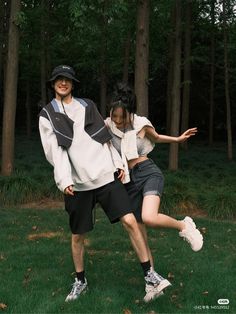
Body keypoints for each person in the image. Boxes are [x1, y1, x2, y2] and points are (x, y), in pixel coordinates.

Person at [38, 65, 172, 303]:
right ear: (53, 84)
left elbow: (104, 139)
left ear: (72, 84)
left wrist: (118, 165)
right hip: (77, 184)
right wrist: (64, 179)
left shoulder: (87, 105)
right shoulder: (47, 115)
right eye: (59, 79)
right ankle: (80, 282)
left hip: (105, 176)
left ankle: (150, 276)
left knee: (131, 220)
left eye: (67, 79)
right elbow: (54, 152)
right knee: (78, 235)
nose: (63, 83)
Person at [105, 83, 204, 301]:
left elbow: (156, 137)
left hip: (148, 172)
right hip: (128, 182)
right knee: (140, 237)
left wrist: (177, 139)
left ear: (129, 112)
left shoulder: (141, 123)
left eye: (122, 117)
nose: (118, 121)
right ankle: (151, 283)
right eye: (115, 116)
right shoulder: (107, 125)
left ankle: (184, 226)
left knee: (149, 217)